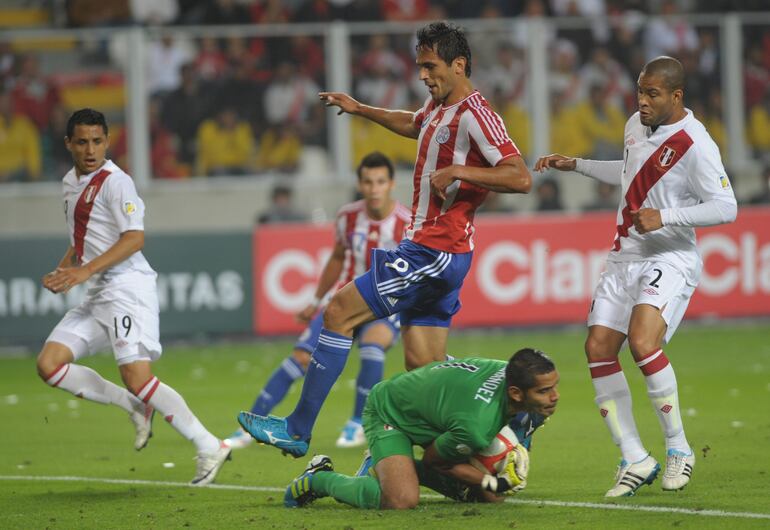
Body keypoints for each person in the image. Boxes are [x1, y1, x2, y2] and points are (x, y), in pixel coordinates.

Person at [238, 21, 532, 458]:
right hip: (441, 253)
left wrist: (459, 171)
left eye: (430, 67)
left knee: (338, 310)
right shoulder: (437, 107)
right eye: (419, 67)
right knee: (424, 367)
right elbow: (413, 123)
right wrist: (360, 108)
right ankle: (500, 432)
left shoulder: (476, 113)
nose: (422, 76)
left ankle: (297, 428)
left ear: (459, 64)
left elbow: (520, 176)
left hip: (434, 249)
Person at [534, 56, 737, 497]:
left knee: (644, 342)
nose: (642, 102)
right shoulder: (634, 124)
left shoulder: (695, 144)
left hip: (670, 256)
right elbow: (629, 173)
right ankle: (633, 457)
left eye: (652, 94)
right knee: (598, 347)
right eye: (639, 92)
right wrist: (579, 165)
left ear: (676, 96)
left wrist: (666, 216)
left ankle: (678, 448)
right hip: (624, 255)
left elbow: (726, 207)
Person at [37, 108, 231, 485]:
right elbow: (83, 240)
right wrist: (67, 268)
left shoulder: (116, 182)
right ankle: (134, 407)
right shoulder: (69, 182)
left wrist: (84, 271)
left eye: (97, 141)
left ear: (106, 141)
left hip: (127, 287)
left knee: (137, 374)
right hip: (98, 291)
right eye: (82, 142)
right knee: (50, 364)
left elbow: (134, 237)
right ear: (68, 144)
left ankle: (209, 444)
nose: (90, 149)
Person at [228, 152, 410, 449]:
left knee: (373, 346)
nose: (374, 188)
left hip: (385, 304)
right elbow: (338, 258)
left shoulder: (406, 222)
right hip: (346, 299)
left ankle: (356, 424)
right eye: (368, 182)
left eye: (380, 182)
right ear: (360, 185)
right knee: (301, 356)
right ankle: (253, 421)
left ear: (390, 184)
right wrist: (316, 300)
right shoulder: (348, 216)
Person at [283, 348, 559, 510]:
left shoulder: (509, 373)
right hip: (391, 410)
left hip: (438, 416)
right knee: (401, 500)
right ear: (516, 392)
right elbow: (437, 462)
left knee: (489, 500)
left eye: (554, 387)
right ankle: (319, 478)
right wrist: (493, 480)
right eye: (544, 391)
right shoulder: (476, 426)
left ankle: (393, 467)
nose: (554, 396)